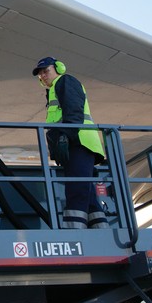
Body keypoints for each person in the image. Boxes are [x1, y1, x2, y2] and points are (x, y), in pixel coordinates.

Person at [32, 56, 109, 229]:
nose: (43, 76)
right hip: (76, 142)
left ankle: (74, 231)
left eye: (46, 71)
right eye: (40, 74)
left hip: (78, 142)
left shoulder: (65, 81)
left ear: (58, 68)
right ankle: (100, 229)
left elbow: (74, 111)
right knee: (87, 192)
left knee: (77, 188)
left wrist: (64, 137)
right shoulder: (55, 89)